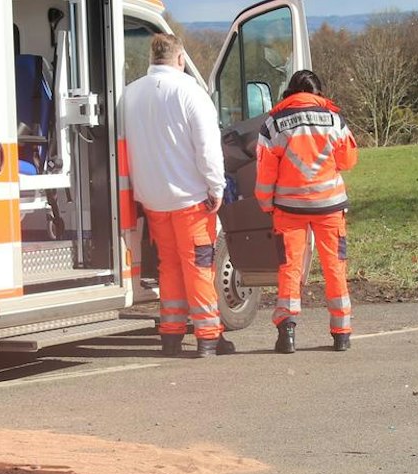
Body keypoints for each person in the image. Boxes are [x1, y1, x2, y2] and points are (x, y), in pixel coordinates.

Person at [121, 33, 234, 358]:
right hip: (189, 199)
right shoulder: (191, 93)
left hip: (152, 200)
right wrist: (217, 187)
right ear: (181, 58)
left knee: (168, 266)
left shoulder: (130, 94)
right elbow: (208, 149)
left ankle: (170, 334)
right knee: (199, 267)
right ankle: (208, 336)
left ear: (152, 58)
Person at [255, 69, 357, 353]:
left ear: (290, 93)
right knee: (334, 267)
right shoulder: (334, 119)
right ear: (318, 92)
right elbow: (348, 160)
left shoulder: (274, 123)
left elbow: (265, 172)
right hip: (330, 206)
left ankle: (286, 333)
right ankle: (342, 334)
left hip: (289, 209)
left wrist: (265, 203)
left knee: (290, 268)